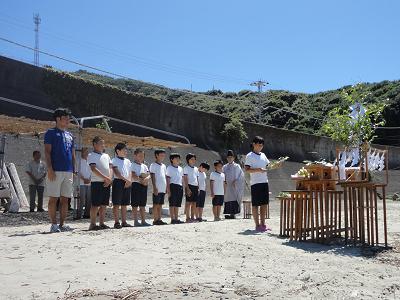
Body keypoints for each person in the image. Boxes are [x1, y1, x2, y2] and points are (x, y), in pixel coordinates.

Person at [44, 108, 75, 233]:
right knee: (53, 198)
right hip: (55, 170)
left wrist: (74, 169)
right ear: (58, 119)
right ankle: (53, 224)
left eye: (68, 118)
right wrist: (50, 169)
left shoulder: (70, 135)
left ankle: (62, 224)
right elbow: (47, 152)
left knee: (65, 199)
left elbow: (72, 154)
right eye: (65, 118)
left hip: (68, 171)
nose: (68, 120)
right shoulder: (50, 132)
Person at [244, 136, 271, 232]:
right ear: (254, 144)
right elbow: (247, 170)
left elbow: (269, 166)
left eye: (262, 145)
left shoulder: (263, 155)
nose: (260, 147)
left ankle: (263, 225)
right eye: (258, 145)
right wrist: (258, 170)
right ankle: (257, 225)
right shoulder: (249, 155)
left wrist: (277, 165)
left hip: (264, 182)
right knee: (255, 205)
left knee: (264, 204)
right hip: (255, 183)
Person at [87, 136, 112, 231]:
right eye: (101, 143)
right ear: (94, 144)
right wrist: (106, 178)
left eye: (103, 143)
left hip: (106, 182)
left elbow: (110, 167)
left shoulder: (106, 156)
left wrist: (109, 178)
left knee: (104, 204)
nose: (103, 145)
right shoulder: (91, 155)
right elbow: (93, 169)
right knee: (95, 204)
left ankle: (102, 223)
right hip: (97, 182)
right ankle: (92, 224)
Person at [111, 143, 133, 229]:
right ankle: (116, 222)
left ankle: (124, 222)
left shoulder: (127, 161)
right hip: (118, 182)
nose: (126, 151)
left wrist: (129, 180)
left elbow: (130, 171)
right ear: (118, 151)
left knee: (124, 203)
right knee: (116, 203)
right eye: (124, 150)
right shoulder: (114, 160)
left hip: (127, 182)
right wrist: (127, 180)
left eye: (126, 150)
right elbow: (117, 173)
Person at [131, 148, 151, 227]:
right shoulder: (132, 165)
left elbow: (149, 174)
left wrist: (146, 179)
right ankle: (136, 221)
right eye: (139, 156)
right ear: (135, 156)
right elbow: (133, 175)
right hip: (136, 185)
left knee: (143, 204)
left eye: (143, 156)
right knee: (135, 204)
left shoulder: (145, 166)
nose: (141, 158)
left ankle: (143, 221)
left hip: (144, 185)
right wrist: (140, 180)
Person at [222, 150, 244, 219]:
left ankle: (233, 213)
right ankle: (228, 213)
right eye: (228, 157)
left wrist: (237, 181)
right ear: (227, 158)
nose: (229, 159)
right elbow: (222, 175)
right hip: (227, 186)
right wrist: (224, 182)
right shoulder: (224, 167)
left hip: (235, 186)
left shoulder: (237, 166)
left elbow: (241, 176)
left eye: (231, 157)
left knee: (234, 198)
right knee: (227, 198)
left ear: (233, 158)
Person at [149, 149, 167, 225]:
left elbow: (164, 177)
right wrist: (154, 187)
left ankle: (159, 219)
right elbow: (152, 176)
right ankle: (155, 220)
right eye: (161, 155)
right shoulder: (153, 165)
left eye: (164, 155)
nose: (163, 157)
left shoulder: (164, 166)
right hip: (157, 188)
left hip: (163, 188)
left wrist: (166, 188)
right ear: (156, 155)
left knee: (160, 204)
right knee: (156, 204)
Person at [166, 153, 184, 224]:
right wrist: (168, 190)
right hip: (172, 186)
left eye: (178, 158)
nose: (178, 160)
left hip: (179, 186)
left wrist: (182, 187)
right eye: (176, 158)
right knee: (172, 203)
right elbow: (167, 179)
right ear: (171, 159)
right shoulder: (169, 168)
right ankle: (172, 219)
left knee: (177, 204)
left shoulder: (180, 168)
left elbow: (182, 179)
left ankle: (176, 218)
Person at [183, 153, 199, 222]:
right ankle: (187, 218)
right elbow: (185, 178)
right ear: (188, 160)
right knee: (188, 203)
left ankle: (193, 217)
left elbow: (197, 178)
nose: (193, 160)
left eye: (194, 159)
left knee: (194, 203)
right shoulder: (186, 168)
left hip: (195, 186)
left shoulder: (196, 168)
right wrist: (187, 188)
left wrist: (198, 187)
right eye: (191, 159)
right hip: (189, 186)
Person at [79, 147, 91, 219]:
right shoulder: (79, 161)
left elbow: (92, 171)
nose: (86, 153)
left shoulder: (90, 161)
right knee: (81, 199)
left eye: (87, 152)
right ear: (82, 152)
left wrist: (89, 179)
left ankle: (87, 214)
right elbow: (77, 172)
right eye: (85, 152)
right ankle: (79, 214)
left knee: (89, 199)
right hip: (81, 183)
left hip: (89, 183)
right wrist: (83, 179)